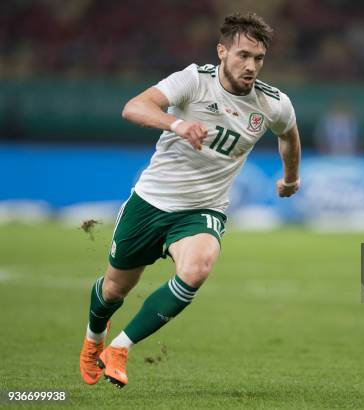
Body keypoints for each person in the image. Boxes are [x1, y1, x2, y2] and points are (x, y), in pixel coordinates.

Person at [79, 12, 301, 388]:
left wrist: (291, 178)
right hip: (151, 202)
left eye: (258, 59)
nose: (251, 66)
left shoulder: (272, 103)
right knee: (115, 289)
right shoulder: (193, 81)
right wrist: (177, 124)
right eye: (243, 55)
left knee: (198, 268)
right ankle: (93, 339)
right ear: (222, 51)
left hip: (203, 209)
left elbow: (289, 136)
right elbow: (134, 107)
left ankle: (119, 348)